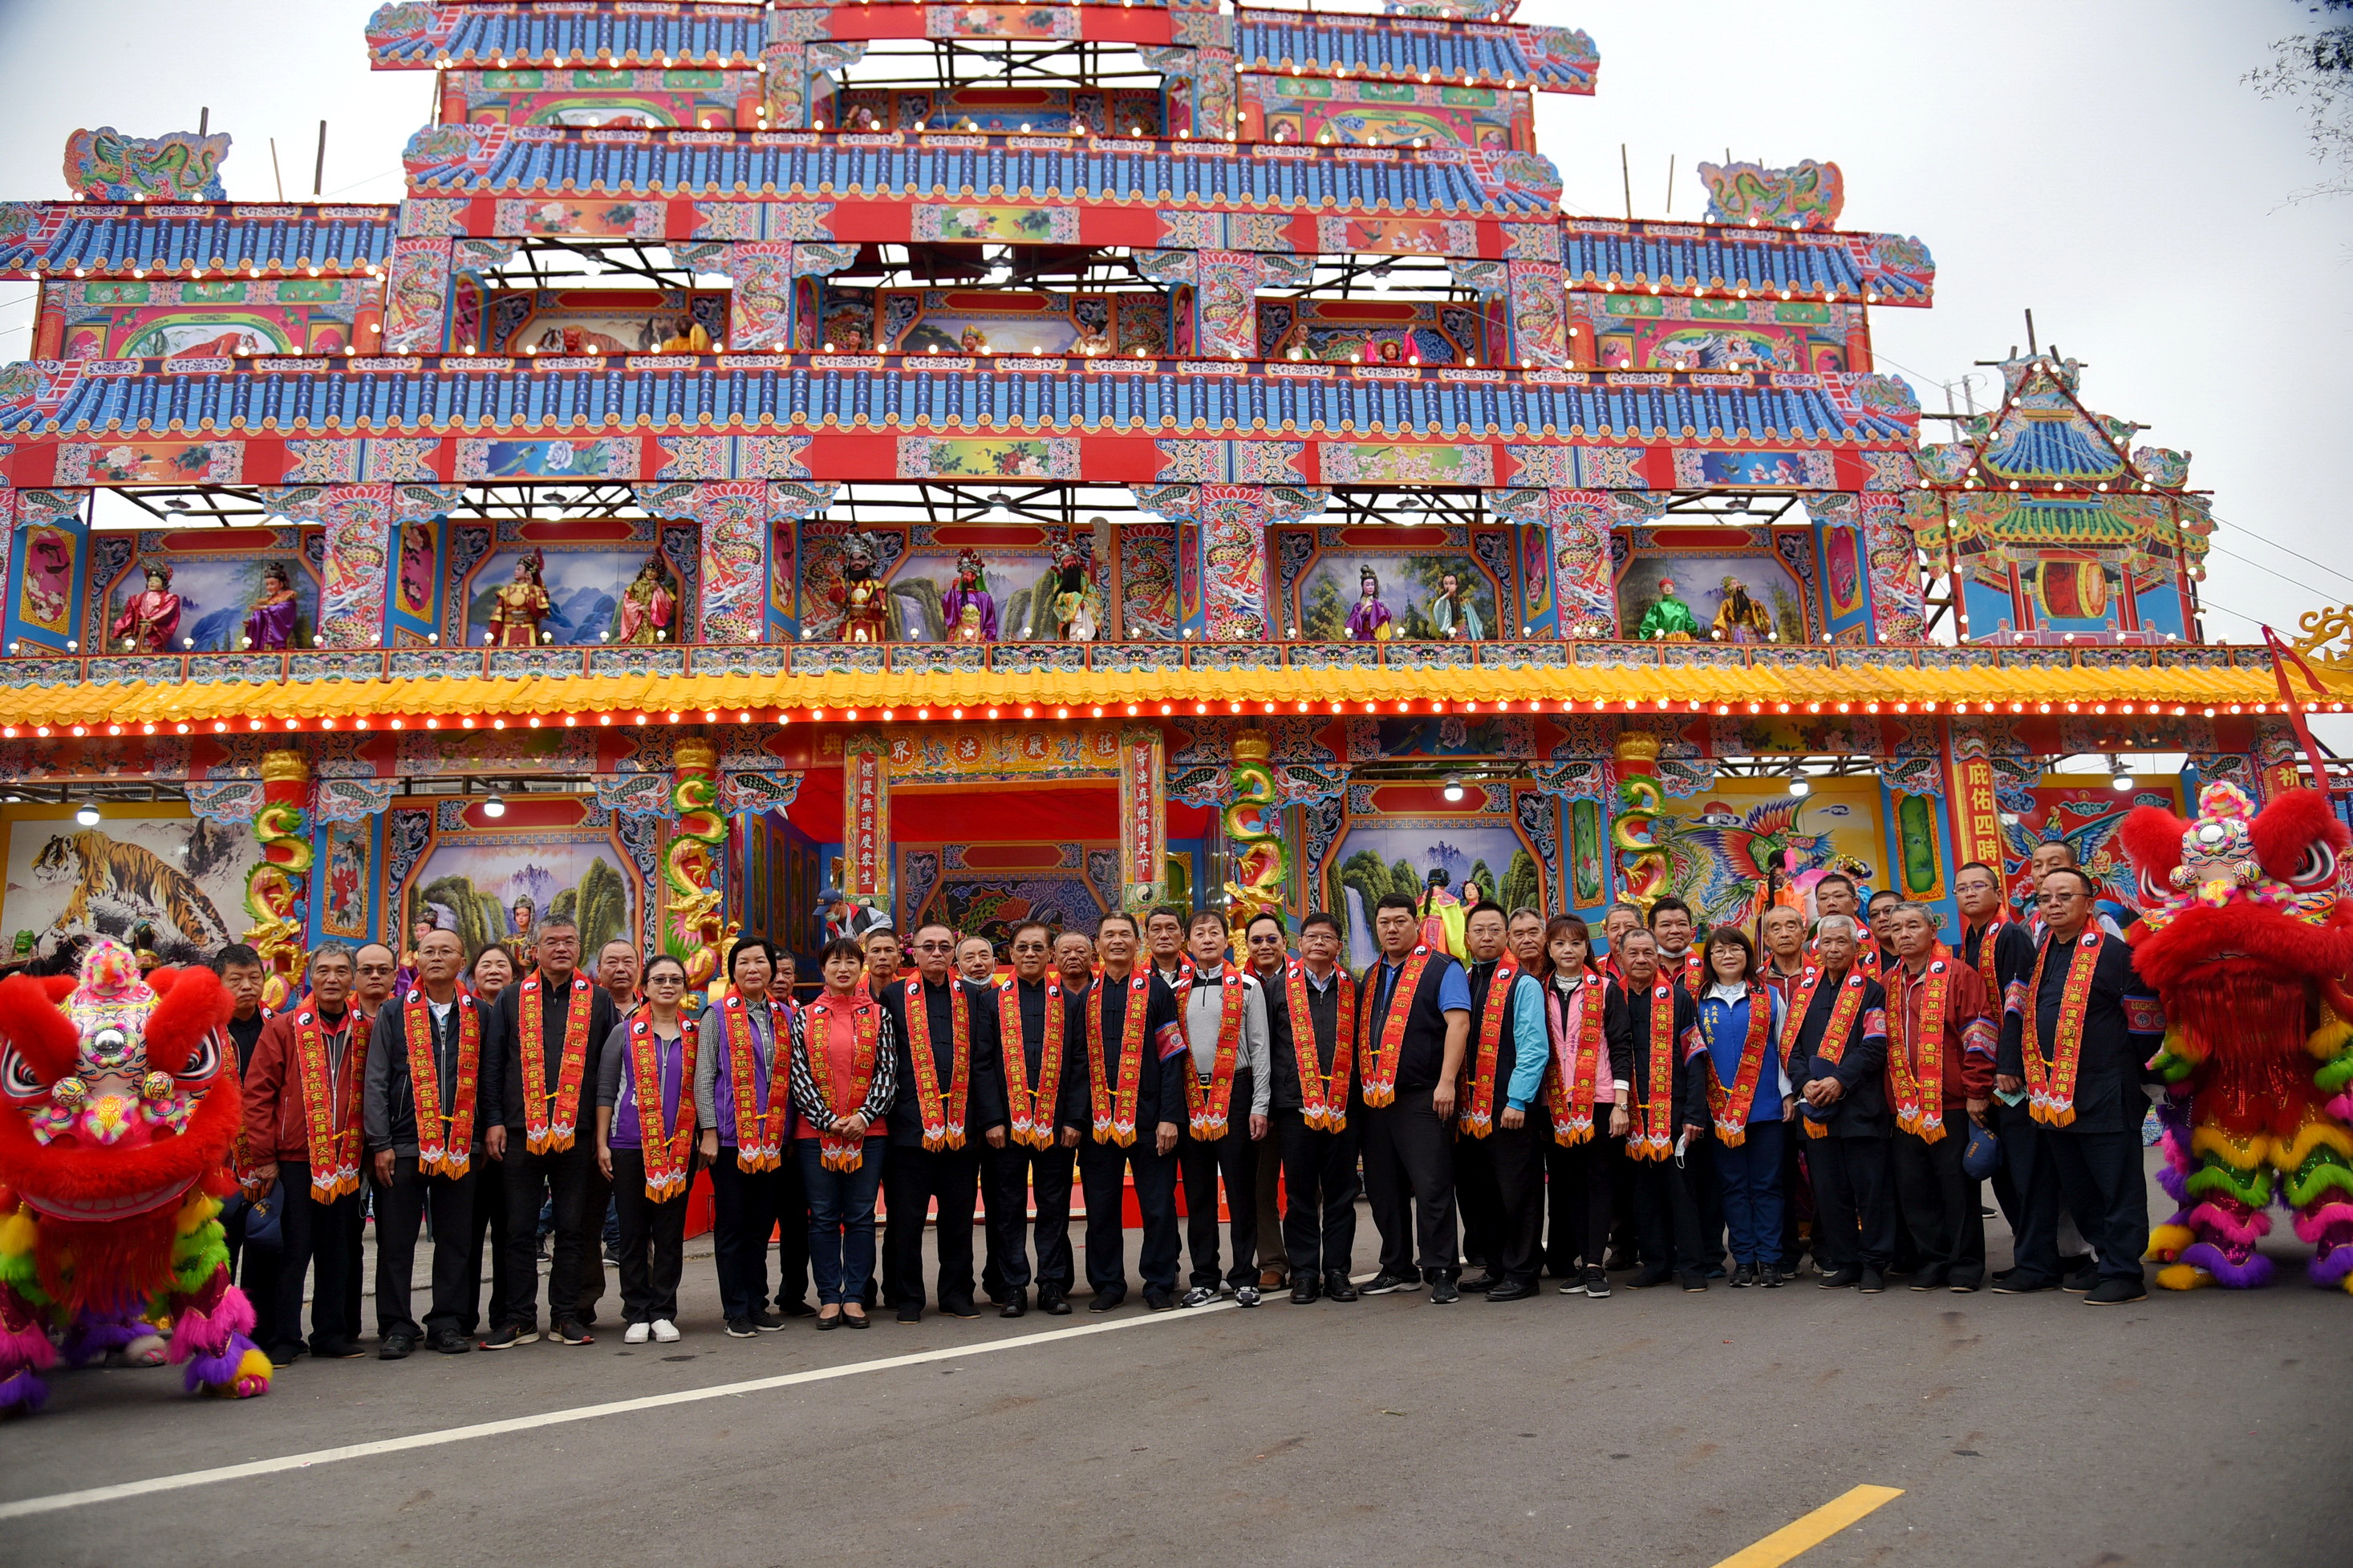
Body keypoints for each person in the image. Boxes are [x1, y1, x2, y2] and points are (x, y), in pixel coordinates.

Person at [1995, 868, 2164, 1305]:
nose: (2053, 904)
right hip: (2054, 1096)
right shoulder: (2040, 952)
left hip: (2106, 1090)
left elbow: (2146, 1024)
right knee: (2080, 1188)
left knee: (2117, 1186)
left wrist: (2124, 1066)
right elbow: (2020, 1012)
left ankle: (2125, 1271)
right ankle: (2105, 1258)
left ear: (2089, 903)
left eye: (2064, 896)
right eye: (2044, 897)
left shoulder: (2114, 955)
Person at [480, 917, 619, 1347]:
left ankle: (565, 1315)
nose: (561, 948)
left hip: (576, 1133)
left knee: (573, 1228)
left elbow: (604, 1071)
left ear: (580, 949)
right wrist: (495, 1120)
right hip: (521, 1132)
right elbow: (494, 1064)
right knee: (518, 1229)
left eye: (569, 942)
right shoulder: (509, 998)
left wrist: (601, 1137)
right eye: (551, 942)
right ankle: (519, 1317)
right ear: (534, 950)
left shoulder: (596, 1001)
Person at [241, 944, 369, 1363]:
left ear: (352, 979)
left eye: (340, 972)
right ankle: (282, 1338)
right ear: (309, 978)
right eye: (323, 971)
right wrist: (264, 1155)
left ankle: (331, 1334)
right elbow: (258, 1094)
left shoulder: (364, 1028)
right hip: (295, 1158)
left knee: (338, 1249)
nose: (332, 979)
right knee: (292, 1251)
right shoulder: (284, 1027)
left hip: (346, 1159)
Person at [363, 927, 484, 1358]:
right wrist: (380, 1141)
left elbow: (486, 1080)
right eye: (428, 951)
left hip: (461, 1145)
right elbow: (377, 1078)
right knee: (396, 1241)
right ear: (416, 960)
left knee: (456, 1240)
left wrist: (484, 1135)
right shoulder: (395, 1013)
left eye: (445, 951)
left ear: (460, 960)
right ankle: (396, 1325)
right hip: (404, 1143)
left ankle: (446, 1322)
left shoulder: (479, 1014)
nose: (436, 958)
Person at [878, 922, 1008, 1322]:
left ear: (954, 954)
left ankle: (956, 1295)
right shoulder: (894, 995)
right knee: (906, 1221)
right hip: (909, 1129)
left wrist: (990, 1121)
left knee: (958, 1219)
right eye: (927, 946)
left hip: (962, 1131)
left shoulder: (974, 996)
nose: (936, 953)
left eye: (944, 947)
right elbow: (888, 1062)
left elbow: (984, 1062)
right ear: (912, 953)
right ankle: (907, 1297)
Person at [1356, 891, 1471, 1300]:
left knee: (1432, 1185)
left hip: (1423, 1095)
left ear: (1417, 925)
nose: (1391, 928)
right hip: (1376, 1099)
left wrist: (1447, 1081)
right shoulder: (1370, 975)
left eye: (1399, 921)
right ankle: (1397, 1267)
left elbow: (1458, 1024)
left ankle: (1441, 1270)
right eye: (1384, 922)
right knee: (1384, 1189)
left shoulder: (1442, 968)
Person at [695, 938, 809, 1335]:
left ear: (771, 970)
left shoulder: (786, 1016)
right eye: (743, 962)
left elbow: (795, 1078)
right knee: (733, 1226)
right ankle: (736, 1309)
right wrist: (709, 1131)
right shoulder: (715, 1015)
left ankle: (758, 1302)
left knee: (761, 1226)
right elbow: (705, 1076)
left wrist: (793, 1129)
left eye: (760, 961)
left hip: (775, 1138)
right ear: (733, 971)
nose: (753, 968)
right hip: (730, 1140)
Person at [1880, 902, 1998, 1292]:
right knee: (1915, 1190)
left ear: (1933, 931)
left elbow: (1978, 1035)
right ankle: (1931, 1261)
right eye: (1896, 928)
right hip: (1905, 1108)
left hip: (1951, 1104)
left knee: (1957, 1190)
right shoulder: (1887, 982)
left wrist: (1977, 1091)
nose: (1904, 934)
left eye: (1913, 926)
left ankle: (1965, 1266)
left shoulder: (1958, 975)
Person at [1076, 911, 1187, 1311]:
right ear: (1099, 945)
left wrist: (1170, 1117)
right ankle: (1108, 1283)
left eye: (1125, 934)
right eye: (1110, 935)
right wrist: (1076, 1119)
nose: (1118, 941)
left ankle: (1159, 1280)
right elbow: (1075, 1065)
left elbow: (1172, 1056)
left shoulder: (1158, 992)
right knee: (1101, 1207)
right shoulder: (1085, 995)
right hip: (1098, 1123)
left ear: (1136, 943)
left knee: (1157, 1205)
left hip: (1149, 1118)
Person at [791, 937, 899, 1328]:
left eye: (851, 963)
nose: (843, 969)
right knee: (821, 1216)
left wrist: (865, 1116)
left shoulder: (880, 1015)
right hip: (814, 1135)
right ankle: (827, 1296)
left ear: (862, 968)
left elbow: (888, 1072)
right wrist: (826, 1119)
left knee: (860, 1216)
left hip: (868, 1134)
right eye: (835, 962)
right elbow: (797, 1073)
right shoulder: (804, 1017)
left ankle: (854, 1295)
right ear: (823, 970)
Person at [1253, 912, 1359, 1303]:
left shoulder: (1354, 988)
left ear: (1338, 946)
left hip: (1344, 1108)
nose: (1319, 942)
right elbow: (1265, 1048)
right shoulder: (1277, 989)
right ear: (1299, 943)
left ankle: (1336, 1271)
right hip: (1295, 1107)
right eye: (1311, 936)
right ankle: (1303, 1274)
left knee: (1340, 1194)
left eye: (1327, 937)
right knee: (1299, 1196)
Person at [985, 923, 1089, 1316]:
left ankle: (1051, 1284)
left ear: (1051, 955)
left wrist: (1075, 1119)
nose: (1030, 954)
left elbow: (1081, 1064)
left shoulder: (1070, 1002)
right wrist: (993, 1118)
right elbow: (982, 1063)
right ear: (1010, 953)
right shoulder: (991, 1002)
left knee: (1053, 1208)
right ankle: (1013, 1286)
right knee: (1008, 1209)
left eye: (1038, 948)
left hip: (1057, 1125)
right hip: (1005, 1130)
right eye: (1022, 947)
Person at [1787, 914, 1895, 1291]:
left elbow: (1876, 1044)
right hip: (1816, 1107)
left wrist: (1839, 1080)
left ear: (1855, 948)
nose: (1833, 949)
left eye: (1841, 942)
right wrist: (1807, 1083)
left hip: (1861, 1108)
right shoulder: (1805, 992)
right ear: (1815, 948)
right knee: (1830, 1193)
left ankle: (1874, 1265)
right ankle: (1845, 1261)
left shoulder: (1872, 991)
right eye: (1826, 942)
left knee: (1871, 1191)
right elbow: (1791, 1048)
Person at [595, 954, 699, 1344]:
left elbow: (703, 1089)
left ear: (684, 987)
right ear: (646, 987)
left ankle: (663, 1311)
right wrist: (602, 1142)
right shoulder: (625, 1033)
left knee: (670, 1233)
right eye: (659, 979)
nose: (667, 986)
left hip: (678, 1148)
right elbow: (606, 1089)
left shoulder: (696, 1032)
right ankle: (636, 1310)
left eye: (675, 979)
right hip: (629, 1144)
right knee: (633, 1232)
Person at [1172, 910, 1272, 1307]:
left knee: (1239, 1189)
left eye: (1215, 932)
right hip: (1191, 1095)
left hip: (1238, 1092)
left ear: (1227, 940)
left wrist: (1260, 1104)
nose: (1208, 939)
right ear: (1189, 943)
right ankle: (1205, 1278)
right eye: (1200, 933)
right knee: (1198, 1194)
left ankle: (1245, 1275)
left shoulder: (1247, 986)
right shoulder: (1177, 991)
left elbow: (1261, 1048)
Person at [1451, 903, 1548, 1302]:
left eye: (1495, 930)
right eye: (1479, 931)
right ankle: (1496, 1266)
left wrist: (1518, 1099)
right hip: (1469, 1110)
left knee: (1518, 1191)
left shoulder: (1522, 984)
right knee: (1481, 1193)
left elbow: (1534, 1047)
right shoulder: (1464, 980)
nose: (1487, 937)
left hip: (1508, 1108)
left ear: (1506, 937)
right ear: (1467, 938)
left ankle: (1524, 1271)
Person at [1690, 929, 1791, 1288]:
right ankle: (1744, 1259)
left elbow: (1786, 1049)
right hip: (1717, 1111)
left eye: (1735, 949)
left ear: (1748, 955)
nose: (1728, 956)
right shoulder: (1697, 1000)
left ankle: (1770, 1259)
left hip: (1765, 1107)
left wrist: (1787, 1094)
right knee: (1732, 1186)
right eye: (1719, 950)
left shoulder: (1771, 997)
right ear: (1709, 959)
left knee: (1767, 1185)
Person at [1608, 930, 1707, 1290]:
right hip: (1630, 1112)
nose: (1640, 959)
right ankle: (1656, 1264)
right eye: (1632, 953)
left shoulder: (1678, 998)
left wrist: (1695, 1113)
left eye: (1648, 953)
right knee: (1644, 1197)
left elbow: (1695, 1057)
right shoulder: (1610, 997)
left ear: (1658, 957)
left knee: (1681, 1193)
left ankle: (1693, 1268)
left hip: (1675, 1111)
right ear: (1619, 957)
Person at [1957, 859, 2040, 1243]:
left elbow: (2018, 1003)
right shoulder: (1971, 939)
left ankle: (2042, 1257)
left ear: (1997, 893)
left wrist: (2008, 1064)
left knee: (2025, 1169)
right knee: (2002, 1169)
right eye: (1963, 888)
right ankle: (2029, 1253)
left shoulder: (2009, 936)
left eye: (1979, 886)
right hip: (1987, 1069)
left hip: (2012, 1075)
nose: (1970, 893)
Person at [1538, 917, 1617, 1298]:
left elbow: (1620, 1045)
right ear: (1548, 950)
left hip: (1598, 1100)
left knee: (1598, 1181)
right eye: (1559, 944)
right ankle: (1582, 1261)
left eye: (1575, 943)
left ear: (1587, 948)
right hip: (1555, 1103)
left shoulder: (1606, 989)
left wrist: (1619, 1102)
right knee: (1568, 1185)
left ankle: (1594, 1264)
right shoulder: (1536, 989)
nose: (1568, 951)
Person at [212, 943, 278, 1336]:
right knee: (220, 1250)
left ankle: (258, 1330)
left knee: (265, 1245)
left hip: (270, 1155)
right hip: (219, 1161)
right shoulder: (204, 1034)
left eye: (254, 977)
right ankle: (216, 1329)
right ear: (218, 983)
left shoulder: (282, 1027)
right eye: (236, 979)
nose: (247, 987)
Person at [461, 942, 517, 1338]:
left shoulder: (521, 1012)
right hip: (461, 1141)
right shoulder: (461, 1013)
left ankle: (508, 1314)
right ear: (472, 974)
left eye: (503, 965)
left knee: (512, 1232)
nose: (494, 970)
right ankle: (461, 1315)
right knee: (464, 1232)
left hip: (513, 1139)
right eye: (486, 964)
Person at [1811, 876, 1881, 977]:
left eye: (1839, 896)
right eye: (1823, 898)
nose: (1831, 903)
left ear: (1855, 904)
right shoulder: (1806, 949)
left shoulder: (1877, 941)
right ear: (1817, 909)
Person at [112, 562, 182, 651]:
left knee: (153, 649)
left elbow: (167, 611)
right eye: (151, 580)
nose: (152, 583)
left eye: (156, 581)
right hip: (139, 630)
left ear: (163, 584)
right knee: (136, 649)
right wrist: (120, 629)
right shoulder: (136, 598)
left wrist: (153, 620)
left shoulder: (171, 598)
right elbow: (129, 615)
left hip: (154, 630)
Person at [490, 550, 552, 646]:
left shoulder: (536, 590)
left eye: (519, 569)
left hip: (528, 630)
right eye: (515, 569)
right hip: (508, 630)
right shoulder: (506, 591)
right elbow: (497, 617)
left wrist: (530, 587)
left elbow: (537, 613)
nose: (515, 571)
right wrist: (492, 641)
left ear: (527, 572)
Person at [1648, 897, 1705, 995]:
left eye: (1682, 924)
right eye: (1666, 925)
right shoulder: (1642, 968)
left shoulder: (1708, 969)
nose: (1675, 931)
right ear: (1651, 931)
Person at [244, 562, 301, 651]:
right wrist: (252, 622)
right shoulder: (269, 600)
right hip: (266, 638)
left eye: (272, 584)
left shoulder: (287, 597)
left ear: (281, 584)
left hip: (280, 637)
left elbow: (283, 610)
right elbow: (262, 616)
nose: (269, 587)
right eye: (267, 584)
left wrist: (265, 608)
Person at [1636, 575, 1701, 641]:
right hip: (1665, 639)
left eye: (1670, 586)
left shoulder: (1682, 606)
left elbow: (1690, 624)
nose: (1668, 588)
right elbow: (1648, 624)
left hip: (1682, 638)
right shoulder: (1657, 607)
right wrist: (1658, 633)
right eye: (1664, 586)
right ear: (1660, 590)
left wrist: (1687, 631)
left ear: (1673, 589)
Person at [1144, 906, 1191, 989]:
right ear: (1146, 937)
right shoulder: (1136, 979)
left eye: (1170, 928)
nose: (1164, 935)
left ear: (1183, 935)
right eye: (1156, 929)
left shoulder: (1198, 976)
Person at [352, 942, 399, 1022]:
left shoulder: (404, 1013)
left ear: (395, 976)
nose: (375, 976)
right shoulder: (341, 1014)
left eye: (383, 970)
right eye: (366, 970)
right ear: (353, 975)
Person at [1345, 567, 1394, 642]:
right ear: (1362, 586)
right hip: (1364, 636)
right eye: (1368, 585)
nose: (1370, 587)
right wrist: (1364, 608)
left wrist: (1382, 611)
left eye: (1372, 584)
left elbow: (1388, 616)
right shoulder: (1358, 606)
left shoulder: (1379, 605)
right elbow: (1353, 623)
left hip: (1376, 636)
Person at [1597, 902, 1642, 983]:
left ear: (1643, 930)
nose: (1622, 932)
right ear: (1606, 932)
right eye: (1615, 927)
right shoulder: (1596, 970)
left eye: (1629, 926)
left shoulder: (1656, 965)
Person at [597, 938, 640, 1011]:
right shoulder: (589, 1005)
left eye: (628, 962)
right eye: (612, 962)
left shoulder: (651, 1005)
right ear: (599, 970)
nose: (621, 969)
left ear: (638, 969)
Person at [861, 926, 903, 996]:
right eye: (876, 951)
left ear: (899, 957)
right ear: (865, 958)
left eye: (889, 950)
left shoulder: (907, 993)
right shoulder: (854, 993)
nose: (882, 957)